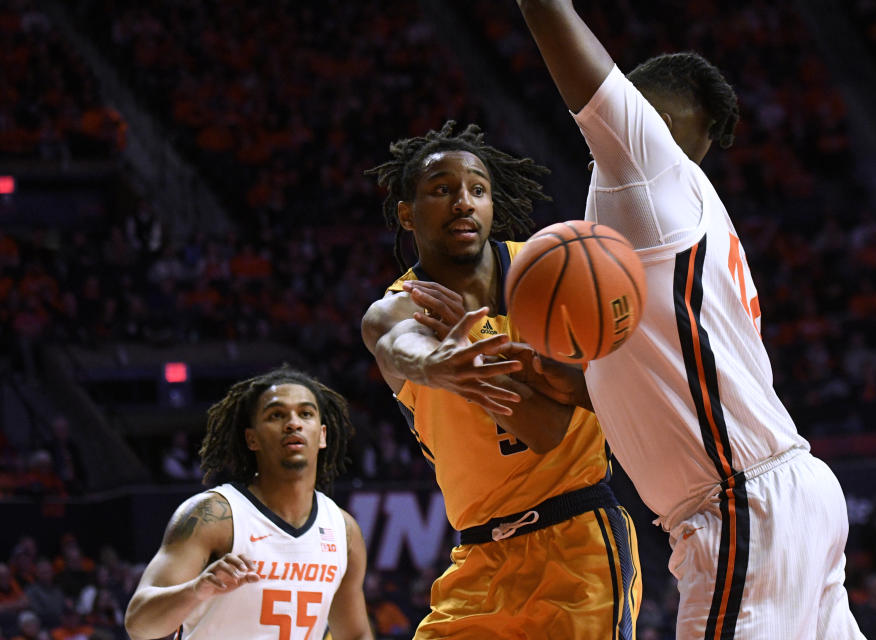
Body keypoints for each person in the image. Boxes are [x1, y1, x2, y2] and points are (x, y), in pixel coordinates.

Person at [502, 2, 866, 638]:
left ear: (652, 117)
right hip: (785, 492)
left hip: (741, 505)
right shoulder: (685, 211)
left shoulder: (651, 166)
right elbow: (661, 375)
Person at [361, 121, 641, 639]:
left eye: (476, 189)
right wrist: (432, 364)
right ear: (406, 213)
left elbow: (546, 430)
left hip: (577, 543)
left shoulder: (555, 272)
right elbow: (393, 339)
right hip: (478, 558)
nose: (462, 202)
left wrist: (482, 362)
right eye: (441, 190)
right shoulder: (401, 306)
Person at [123, 366, 373, 640]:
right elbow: (139, 624)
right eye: (276, 415)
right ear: (251, 438)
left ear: (322, 435)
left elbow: (355, 634)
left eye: (305, 413)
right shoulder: (214, 515)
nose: (293, 423)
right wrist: (197, 589)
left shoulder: (344, 531)